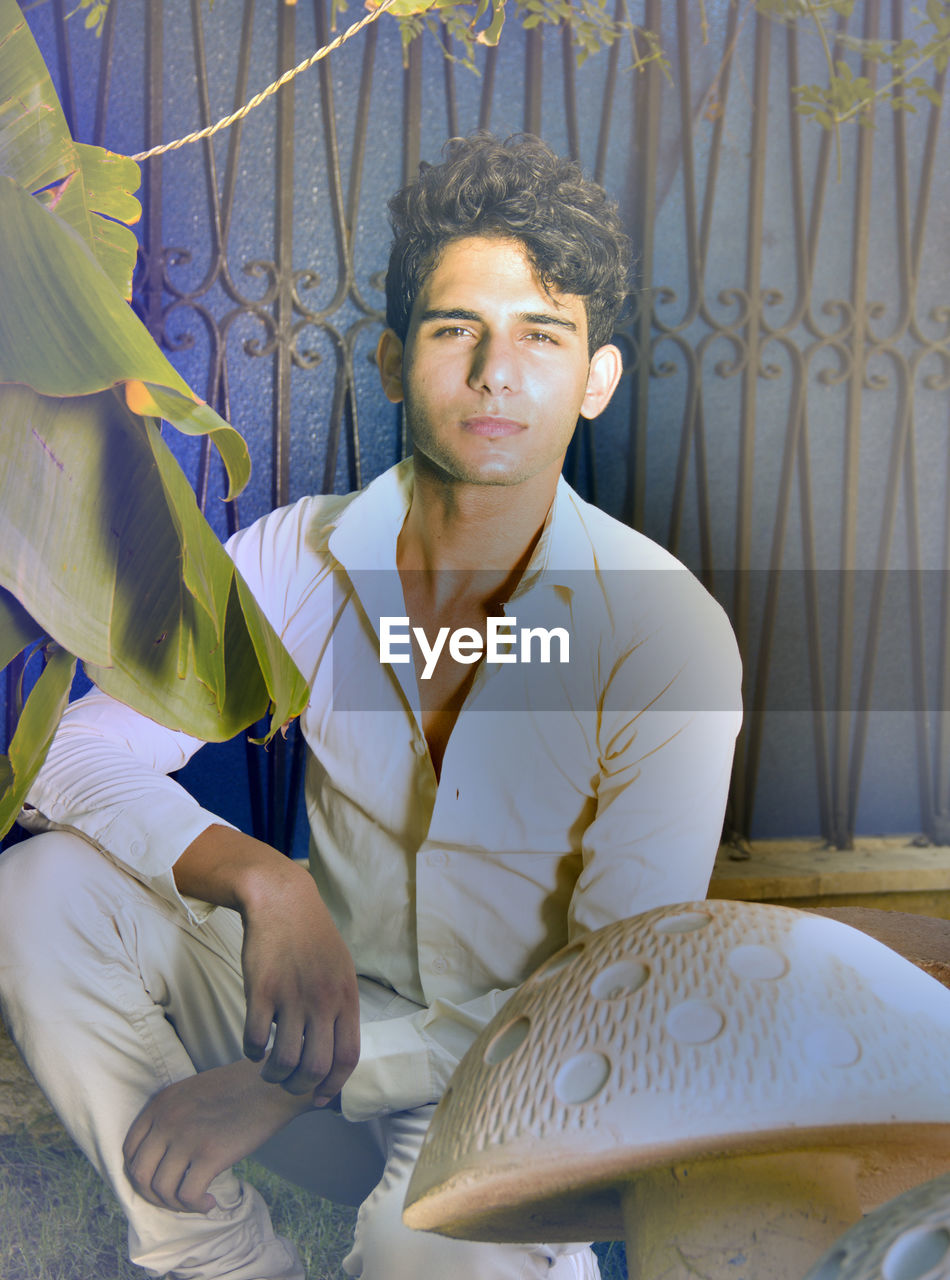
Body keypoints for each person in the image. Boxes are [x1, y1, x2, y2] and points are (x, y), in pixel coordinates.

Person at [0, 133, 742, 1279]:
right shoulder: (305, 553)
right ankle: (215, 1258)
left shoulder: (663, 632)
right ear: (395, 361)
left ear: (595, 380)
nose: (497, 372)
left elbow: (610, 991)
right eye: (457, 330)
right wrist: (263, 875)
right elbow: (67, 759)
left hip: (504, 1085)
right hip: (313, 1030)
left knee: (424, 1254)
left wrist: (286, 1081)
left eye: (541, 336)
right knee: (42, 888)